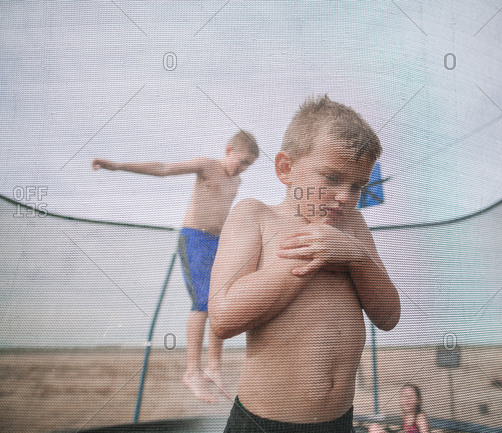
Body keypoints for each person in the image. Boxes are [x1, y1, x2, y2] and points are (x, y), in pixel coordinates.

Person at [209, 95, 401, 433]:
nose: (345, 196)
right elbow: (223, 318)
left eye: (357, 185)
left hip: (339, 422)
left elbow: (388, 316)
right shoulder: (256, 216)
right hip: (264, 423)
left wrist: (358, 258)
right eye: (331, 178)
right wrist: (315, 251)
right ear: (286, 168)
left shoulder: (353, 227)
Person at [91, 130, 258, 403]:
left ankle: (213, 366)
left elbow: (223, 214)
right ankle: (192, 371)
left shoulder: (236, 181)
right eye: (240, 161)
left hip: (217, 242)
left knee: (220, 303)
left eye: (248, 164)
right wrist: (118, 165)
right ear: (228, 150)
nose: (242, 168)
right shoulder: (207, 165)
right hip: (194, 238)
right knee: (203, 302)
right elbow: (164, 168)